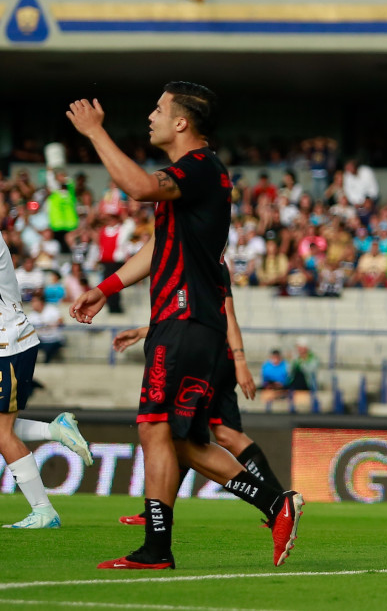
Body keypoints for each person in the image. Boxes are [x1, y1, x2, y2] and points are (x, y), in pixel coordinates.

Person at [66, 83, 302, 570]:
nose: (150, 115)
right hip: (186, 320)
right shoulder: (196, 176)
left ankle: (158, 550)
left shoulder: (198, 168)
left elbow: (136, 187)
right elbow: (159, 248)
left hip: (186, 318)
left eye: (158, 108)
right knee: (181, 440)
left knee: (154, 427)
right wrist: (107, 287)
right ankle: (276, 504)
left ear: (181, 123)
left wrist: (95, 133)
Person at [112, 263, 287, 525]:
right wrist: (142, 332)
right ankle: (277, 502)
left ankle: (278, 502)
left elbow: (225, 314)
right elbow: (188, 318)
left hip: (212, 360)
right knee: (193, 435)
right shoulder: (195, 254)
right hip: (212, 355)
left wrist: (240, 360)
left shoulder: (206, 258)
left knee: (185, 435)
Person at [0, 231, 93, 529]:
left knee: (2, 433)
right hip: (11, 340)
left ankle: (44, 511)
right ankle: (55, 429)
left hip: (7, 344)